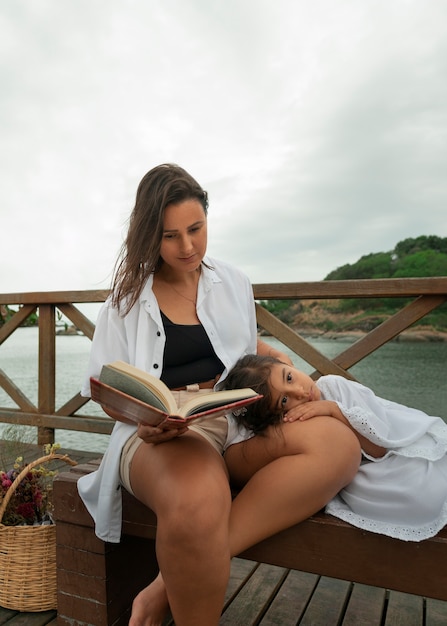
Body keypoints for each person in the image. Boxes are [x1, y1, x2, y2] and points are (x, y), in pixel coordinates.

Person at [78, 164, 361, 626]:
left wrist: (290, 372)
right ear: (150, 235)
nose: (188, 247)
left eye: (196, 229)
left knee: (339, 446)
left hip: (236, 416)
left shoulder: (232, 282)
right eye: (171, 236)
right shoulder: (127, 300)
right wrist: (145, 415)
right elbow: (105, 386)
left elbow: (248, 350)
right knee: (196, 504)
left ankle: (163, 587)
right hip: (162, 434)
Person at [222, 354, 447, 541]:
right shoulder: (292, 422)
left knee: (424, 488)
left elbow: (379, 448)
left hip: (394, 450)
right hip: (357, 465)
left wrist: (334, 410)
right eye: (284, 401)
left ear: (288, 364)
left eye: (289, 377)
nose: (300, 392)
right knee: (407, 497)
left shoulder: (334, 386)